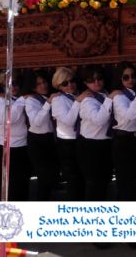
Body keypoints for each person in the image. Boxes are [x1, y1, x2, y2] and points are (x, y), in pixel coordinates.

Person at [109, 62, 136, 202]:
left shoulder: (135, 94)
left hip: (135, 140)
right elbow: (129, 116)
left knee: (134, 181)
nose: (131, 80)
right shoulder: (119, 96)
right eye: (126, 77)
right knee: (125, 184)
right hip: (123, 141)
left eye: (133, 76)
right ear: (120, 78)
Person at [0, 71, 30, 201]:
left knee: (23, 182)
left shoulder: (20, 99)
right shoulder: (0, 101)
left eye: (16, 83)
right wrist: (21, 101)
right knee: (12, 184)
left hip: (23, 145)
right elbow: (8, 120)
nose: (14, 87)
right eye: (10, 84)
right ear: (3, 86)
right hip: (8, 148)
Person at [77, 66, 113, 201]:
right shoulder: (88, 100)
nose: (96, 82)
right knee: (94, 185)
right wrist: (110, 100)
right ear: (85, 83)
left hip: (105, 143)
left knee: (103, 183)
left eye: (99, 78)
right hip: (91, 146)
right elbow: (100, 120)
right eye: (91, 80)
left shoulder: (104, 94)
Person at [23, 69, 59, 201]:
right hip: (37, 141)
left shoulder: (48, 97)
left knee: (51, 178)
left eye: (44, 82)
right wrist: (48, 104)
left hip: (50, 139)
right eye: (39, 84)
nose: (43, 85)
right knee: (43, 178)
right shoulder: (31, 100)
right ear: (33, 87)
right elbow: (36, 122)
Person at [51, 67, 84, 200]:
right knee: (73, 178)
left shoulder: (77, 96)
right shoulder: (58, 100)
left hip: (80, 140)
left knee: (81, 176)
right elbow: (68, 121)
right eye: (65, 83)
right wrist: (77, 102)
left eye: (72, 81)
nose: (70, 85)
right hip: (67, 142)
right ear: (59, 86)